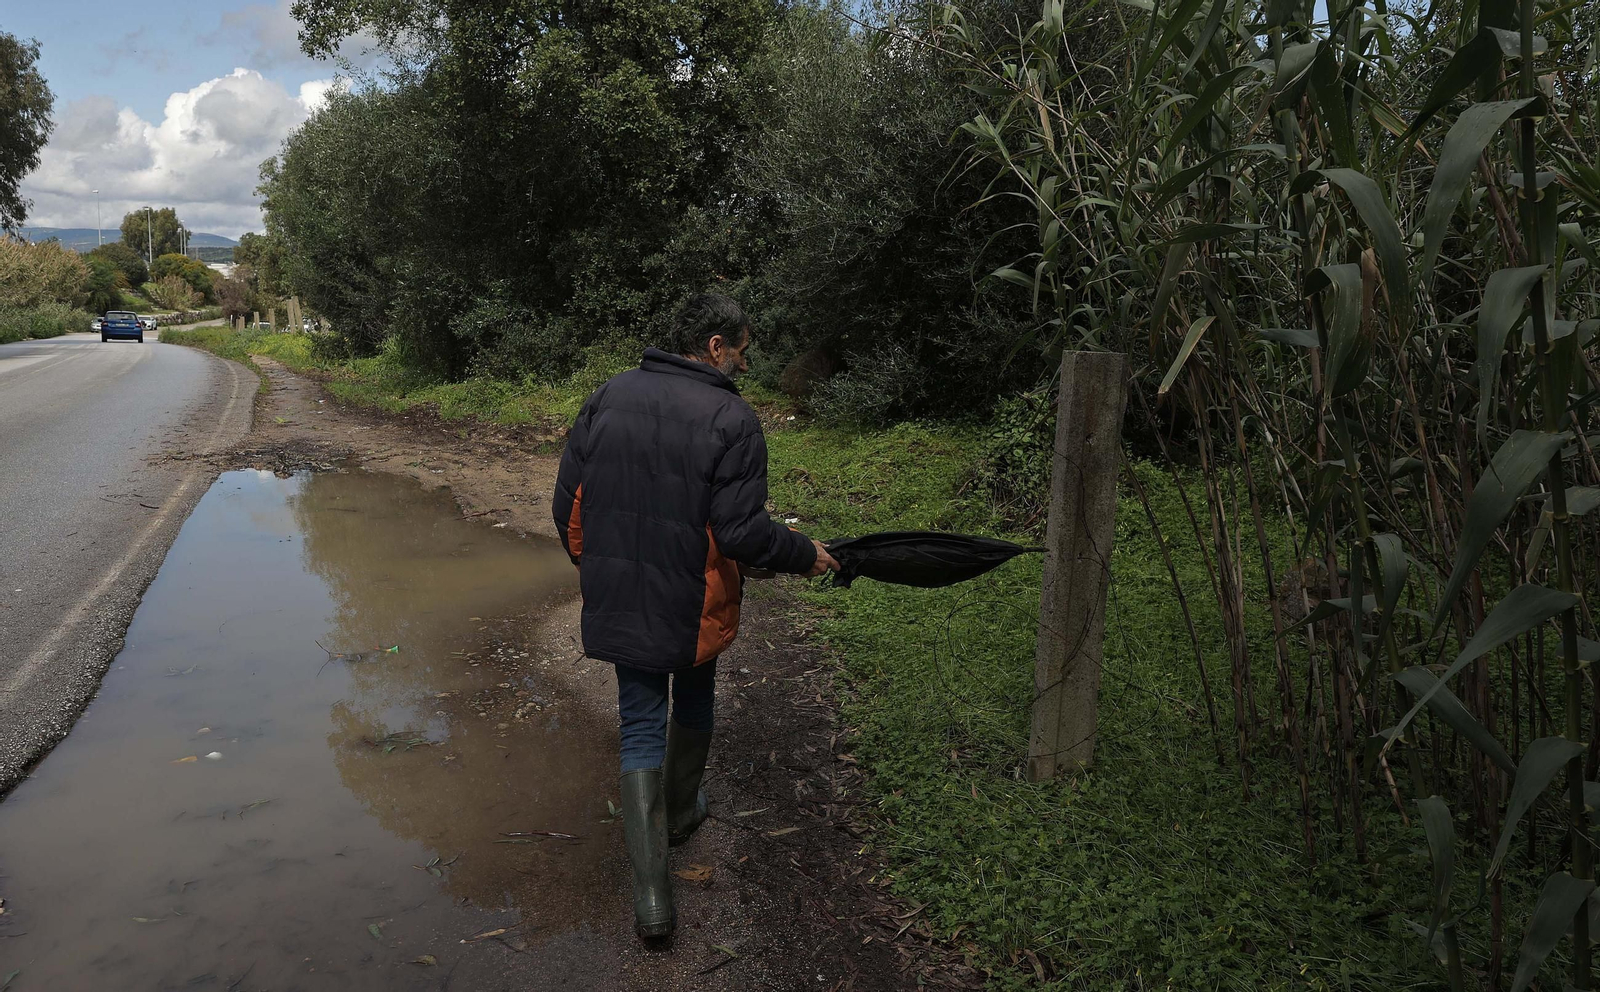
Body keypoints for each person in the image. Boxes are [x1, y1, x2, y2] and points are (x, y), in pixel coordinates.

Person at [551, 293, 839, 939]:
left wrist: (598, 568)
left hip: (623, 590)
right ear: (715, 345)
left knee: (640, 725)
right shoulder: (731, 418)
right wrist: (805, 554)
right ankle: (681, 814)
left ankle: (652, 899)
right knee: (697, 692)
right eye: (741, 349)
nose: (742, 362)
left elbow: (567, 503)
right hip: (694, 600)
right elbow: (740, 533)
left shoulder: (607, 396)